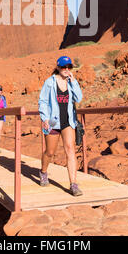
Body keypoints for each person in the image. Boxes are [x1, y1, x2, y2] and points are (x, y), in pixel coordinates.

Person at [38, 55, 83, 196]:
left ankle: (73, 184)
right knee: (50, 152)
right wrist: (44, 118)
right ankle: (43, 172)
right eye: (63, 67)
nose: (66, 69)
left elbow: (79, 98)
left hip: (68, 121)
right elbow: (43, 101)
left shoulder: (71, 82)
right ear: (58, 67)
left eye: (69, 67)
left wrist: (74, 82)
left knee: (70, 150)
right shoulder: (50, 82)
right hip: (52, 121)